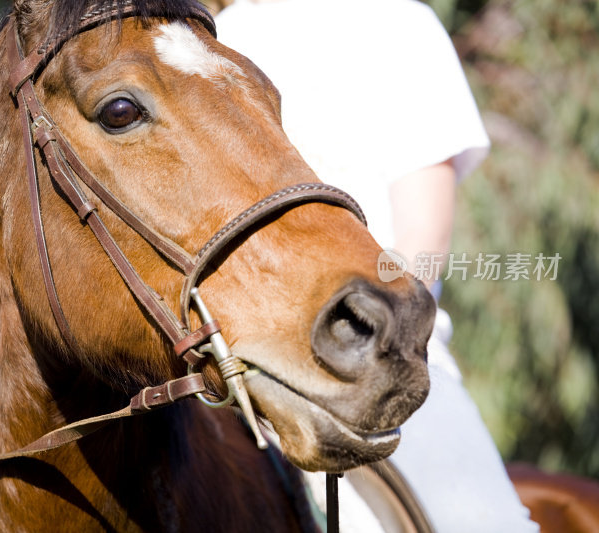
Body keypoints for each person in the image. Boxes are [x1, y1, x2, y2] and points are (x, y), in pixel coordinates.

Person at [215, 0, 540, 531]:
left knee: (491, 524)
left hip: (376, 351)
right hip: (234, 361)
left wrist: (358, 336)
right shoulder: (213, 38)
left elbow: (422, 250)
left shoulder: (398, 24)